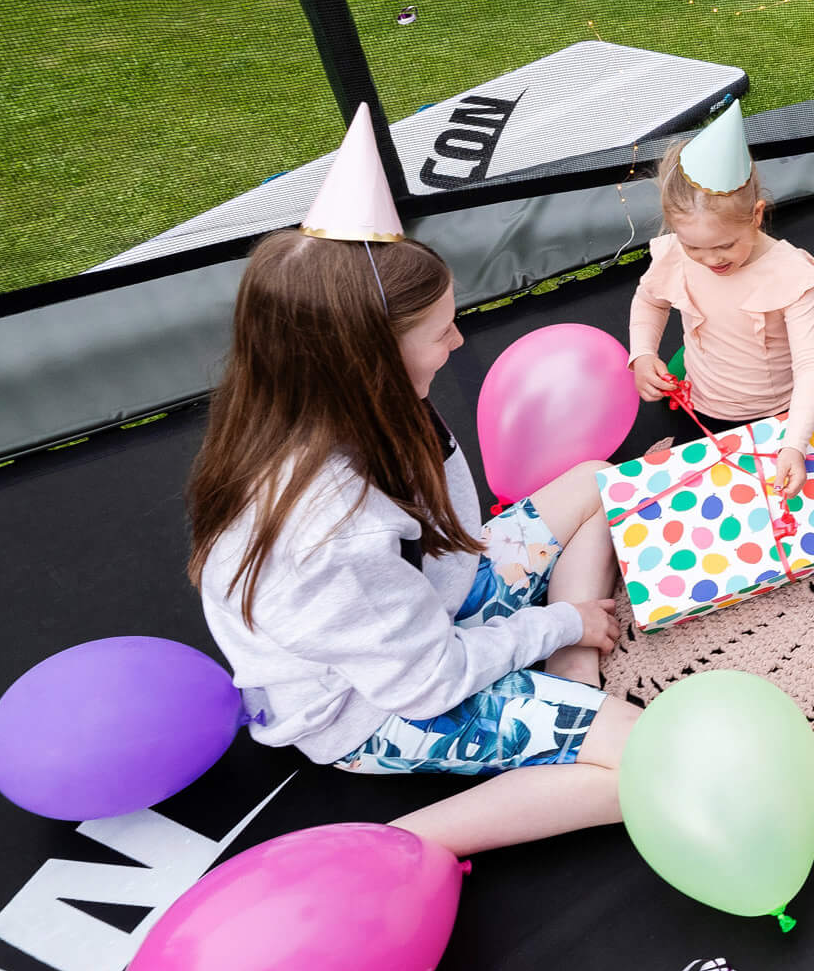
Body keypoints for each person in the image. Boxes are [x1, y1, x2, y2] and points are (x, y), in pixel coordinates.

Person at [187, 107, 636, 860]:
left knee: (596, 480)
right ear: (367, 361)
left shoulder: (328, 412)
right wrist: (562, 624)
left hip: (432, 610)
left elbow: (438, 558)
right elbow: (429, 683)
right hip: (378, 705)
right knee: (645, 764)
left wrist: (550, 633)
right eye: (440, 331)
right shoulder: (334, 532)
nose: (459, 341)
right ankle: (398, 842)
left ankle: (567, 673)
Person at [629, 103, 814, 498]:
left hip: (773, 413)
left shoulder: (790, 273)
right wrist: (642, 353)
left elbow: (810, 365)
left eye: (724, 246)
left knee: (772, 502)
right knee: (701, 502)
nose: (711, 260)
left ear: (756, 216)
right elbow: (650, 300)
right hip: (701, 401)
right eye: (695, 248)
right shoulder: (675, 253)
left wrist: (794, 442)